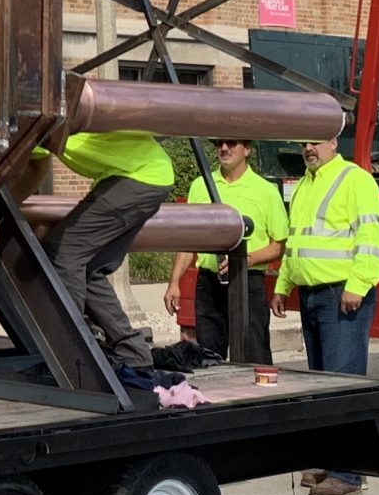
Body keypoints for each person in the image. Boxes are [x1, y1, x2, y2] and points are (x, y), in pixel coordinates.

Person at [279, 127, 379, 495]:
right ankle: (330, 461)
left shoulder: (355, 180)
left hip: (343, 295)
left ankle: (349, 474)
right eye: (303, 140)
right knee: (323, 387)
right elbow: (297, 240)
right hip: (313, 295)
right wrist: (283, 285)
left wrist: (358, 284)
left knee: (342, 384)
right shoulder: (305, 184)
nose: (308, 146)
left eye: (315, 140)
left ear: (333, 142)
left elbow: (371, 239)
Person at [29, 125, 173, 368]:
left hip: (137, 176)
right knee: (91, 268)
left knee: (64, 251)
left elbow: (30, 171)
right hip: (152, 176)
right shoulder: (45, 124)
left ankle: (70, 352)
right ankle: (133, 352)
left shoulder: (45, 121)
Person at [171, 139, 288, 364]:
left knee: (254, 354)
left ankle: (258, 399)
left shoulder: (265, 190)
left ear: (247, 149)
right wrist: (174, 282)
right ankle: (214, 398)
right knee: (208, 357)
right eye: (218, 143)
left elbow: (280, 245)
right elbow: (188, 240)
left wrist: (245, 260)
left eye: (232, 143)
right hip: (209, 284)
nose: (224, 148)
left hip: (247, 282)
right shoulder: (200, 185)